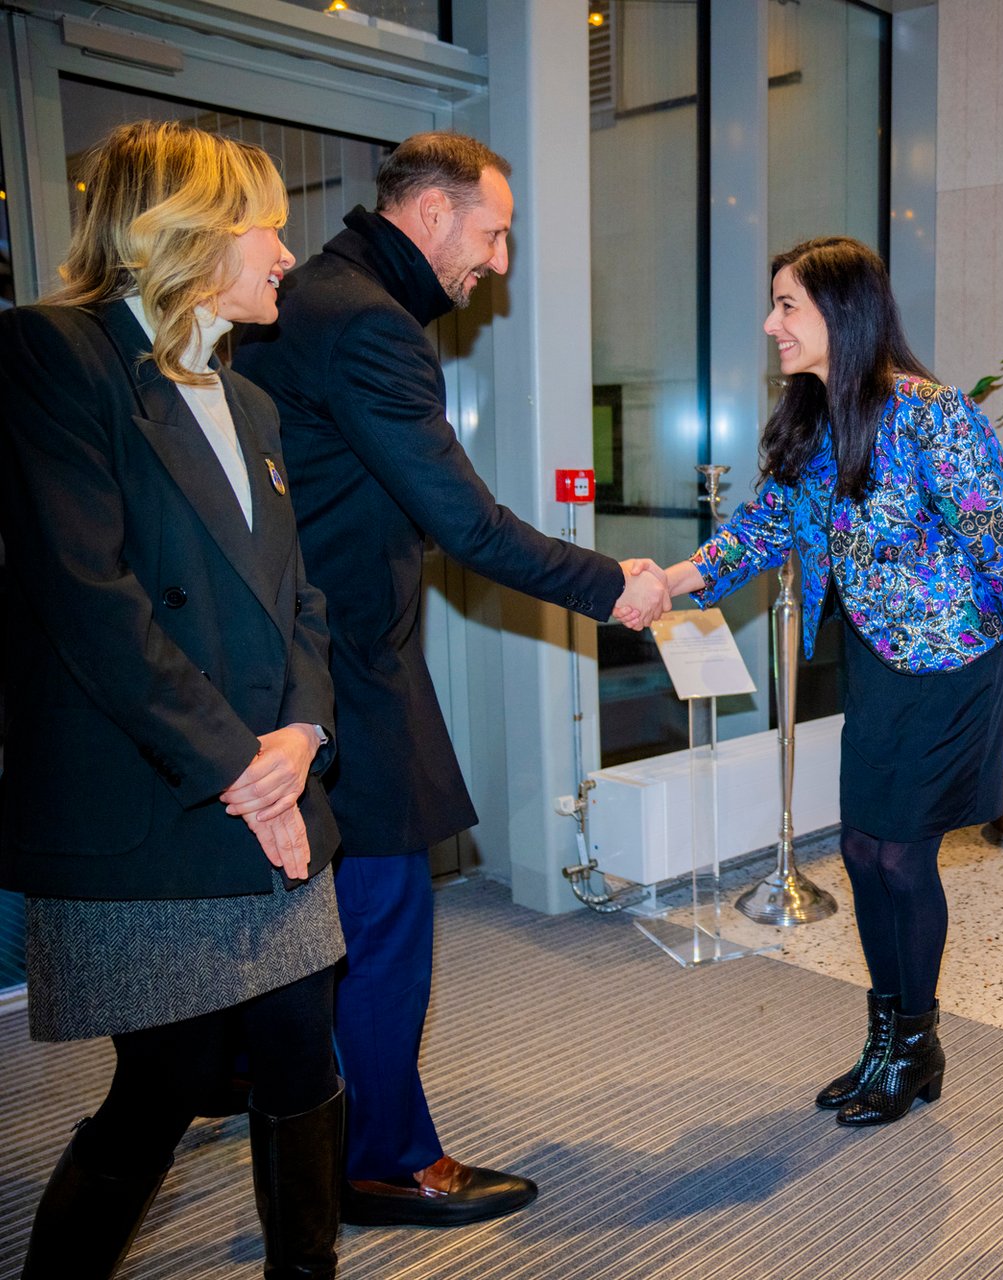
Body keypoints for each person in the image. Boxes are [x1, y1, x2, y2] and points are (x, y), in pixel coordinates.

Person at [232, 133, 669, 1227]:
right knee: (382, 921)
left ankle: (312, 1125)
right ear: (430, 213)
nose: (500, 262)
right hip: (343, 667)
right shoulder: (368, 323)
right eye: (493, 233)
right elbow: (467, 524)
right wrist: (612, 584)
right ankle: (383, 1161)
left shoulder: (313, 301)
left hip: (289, 654)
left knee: (316, 922)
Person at [0, 120, 344, 1279]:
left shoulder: (251, 403)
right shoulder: (54, 355)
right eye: (265, 226)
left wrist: (302, 734)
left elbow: (300, 598)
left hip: (274, 780)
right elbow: (91, 602)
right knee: (169, 1081)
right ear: (185, 229)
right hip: (158, 792)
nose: (286, 254)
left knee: (304, 1054)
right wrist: (246, 769)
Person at [653, 236, 1003, 1126]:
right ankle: (884, 1038)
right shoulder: (812, 422)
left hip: (948, 665)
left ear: (843, 311)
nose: (771, 324)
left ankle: (917, 1044)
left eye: (787, 305)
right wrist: (669, 583)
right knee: (863, 853)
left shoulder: (932, 415)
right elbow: (760, 529)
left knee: (903, 854)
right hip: (873, 663)